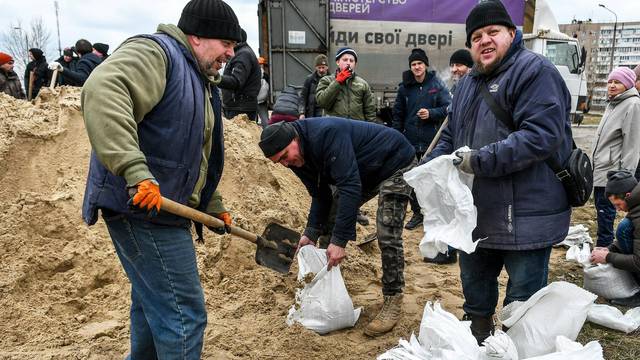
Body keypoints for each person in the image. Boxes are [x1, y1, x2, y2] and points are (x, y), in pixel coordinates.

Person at [80, 0, 241, 357]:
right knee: (182, 315)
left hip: (162, 210)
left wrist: (212, 204)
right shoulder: (157, 53)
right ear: (197, 36)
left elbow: (193, 153)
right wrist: (136, 173)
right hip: (141, 208)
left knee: (152, 309)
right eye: (226, 43)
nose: (231, 53)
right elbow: (103, 91)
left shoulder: (199, 79)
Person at [421, 0, 574, 344]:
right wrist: (424, 170)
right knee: (475, 294)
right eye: (476, 36)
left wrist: (479, 160)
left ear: (511, 33)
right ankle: (478, 338)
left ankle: (514, 346)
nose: (484, 41)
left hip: (528, 215)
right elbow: (450, 136)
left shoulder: (535, 71)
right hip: (478, 215)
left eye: (492, 32)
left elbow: (541, 136)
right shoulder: (468, 84)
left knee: (522, 305)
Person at [259, 118, 416, 337]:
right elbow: (320, 194)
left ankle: (393, 298)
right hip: (362, 170)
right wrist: (310, 233)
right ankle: (328, 287)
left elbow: (350, 186)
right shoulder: (296, 157)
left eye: (285, 156)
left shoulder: (326, 135)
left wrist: (339, 242)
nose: (285, 163)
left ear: (294, 138)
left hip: (394, 163)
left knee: (387, 232)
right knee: (330, 217)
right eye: (279, 162)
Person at [391, 48, 451, 236]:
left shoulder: (436, 84)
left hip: (431, 141)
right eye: (413, 64)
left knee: (433, 180)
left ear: (425, 65)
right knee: (412, 179)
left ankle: (433, 214)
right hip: (409, 142)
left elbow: (447, 108)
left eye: (419, 63)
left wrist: (431, 113)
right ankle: (417, 213)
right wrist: (395, 138)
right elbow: (397, 115)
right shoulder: (404, 87)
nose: (417, 67)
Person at [592, 67, 640, 247]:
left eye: (617, 82)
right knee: (602, 215)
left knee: (606, 219)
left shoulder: (632, 104)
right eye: (610, 81)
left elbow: (632, 146)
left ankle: (603, 257)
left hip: (612, 176)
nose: (612, 85)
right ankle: (603, 251)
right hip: (602, 171)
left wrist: (624, 179)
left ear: (627, 84)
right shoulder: (613, 103)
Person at [591, 170, 640, 307]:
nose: (617, 209)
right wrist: (609, 248)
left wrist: (607, 257)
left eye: (618, 204)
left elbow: (639, 262)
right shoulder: (636, 202)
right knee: (626, 227)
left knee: (624, 227)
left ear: (628, 195)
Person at [315, 47, 376, 121]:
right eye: (345, 60)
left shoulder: (363, 84)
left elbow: (370, 111)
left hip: (356, 128)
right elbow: (322, 102)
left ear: (355, 64)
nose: (348, 63)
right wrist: (337, 82)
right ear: (337, 62)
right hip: (335, 128)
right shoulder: (326, 80)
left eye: (351, 60)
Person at [219, 29, 261, 122]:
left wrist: (215, 78)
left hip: (240, 109)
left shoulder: (243, 55)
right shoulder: (240, 53)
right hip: (238, 107)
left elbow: (236, 81)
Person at [299, 54, 329, 119]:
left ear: (327, 67)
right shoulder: (309, 79)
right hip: (311, 115)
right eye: (319, 67)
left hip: (326, 116)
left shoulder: (332, 80)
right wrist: (302, 112)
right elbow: (303, 97)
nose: (321, 70)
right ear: (316, 67)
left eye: (323, 67)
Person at [257, 56, 270, 128]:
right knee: (265, 120)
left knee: (252, 120)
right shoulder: (263, 75)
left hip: (256, 100)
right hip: (261, 101)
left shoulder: (254, 73)